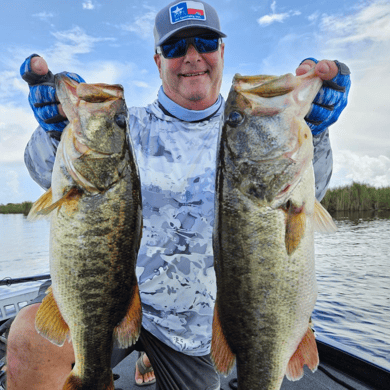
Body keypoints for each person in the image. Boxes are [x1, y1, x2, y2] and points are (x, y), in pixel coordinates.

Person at [6, 1, 351, 389]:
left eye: (204, 42)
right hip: (112, 300)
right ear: (157, 61)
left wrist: (316, 135)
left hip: (192, 328)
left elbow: (304, 196)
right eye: (175, 48)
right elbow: (44, 173)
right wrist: (55, 131)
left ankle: (150, 357)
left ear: (221, 52)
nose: (192, 57)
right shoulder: (126, 125)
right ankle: (135, 354)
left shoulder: (246, 130)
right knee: (29, 337)